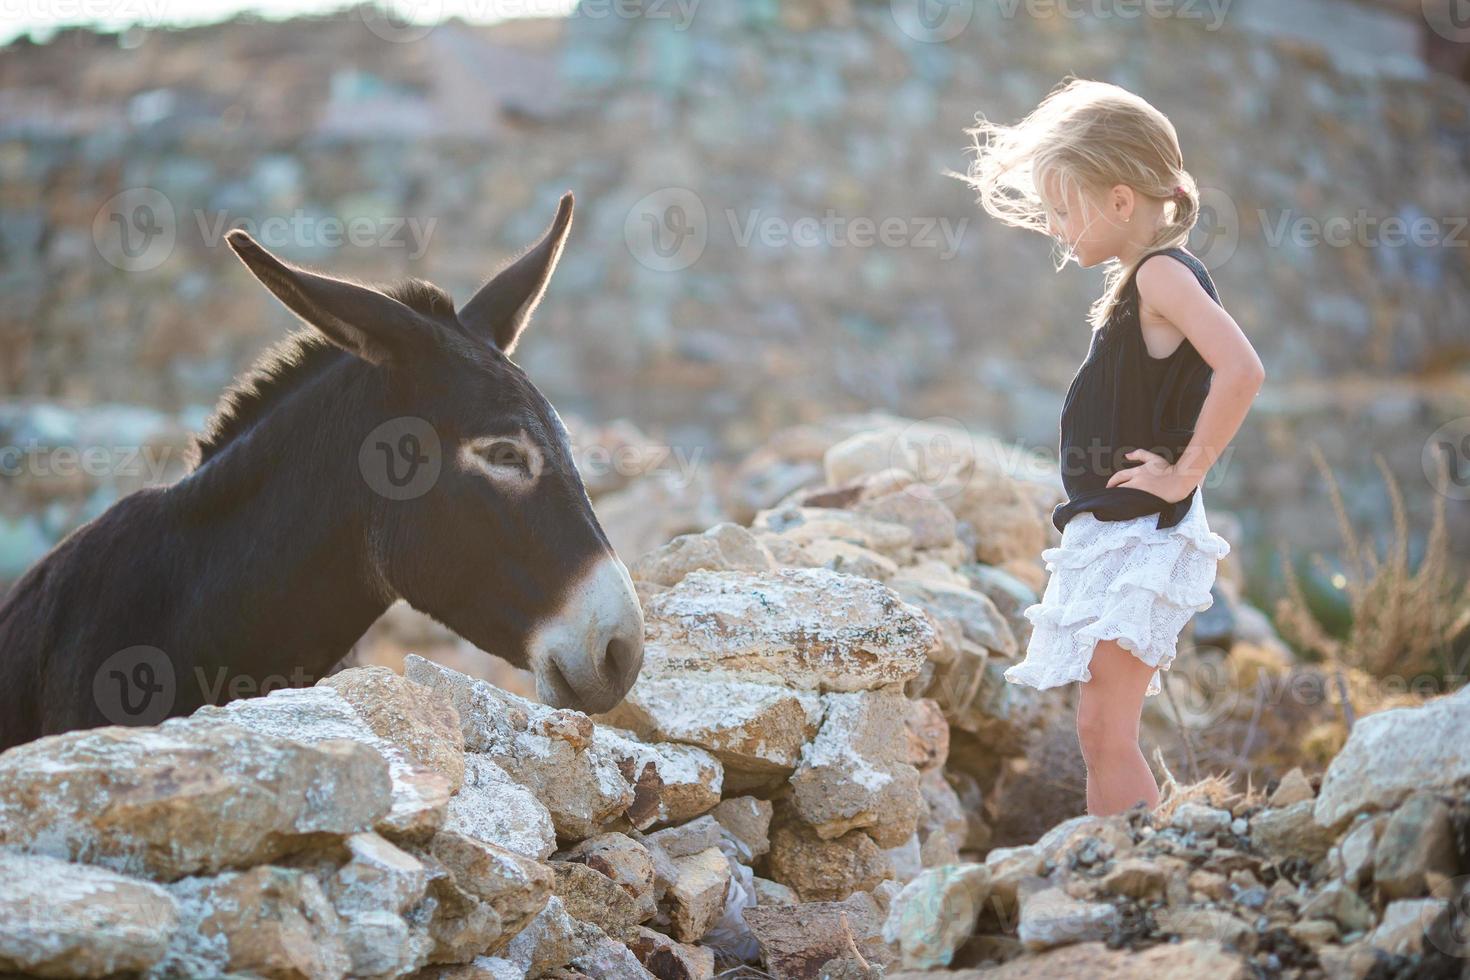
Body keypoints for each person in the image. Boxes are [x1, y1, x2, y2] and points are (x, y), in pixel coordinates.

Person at [953, 78, 1267, 816]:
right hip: (1115, 527)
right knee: (1099, 727)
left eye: (1065, 209)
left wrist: (1186, 472)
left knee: (1103, 728)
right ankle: (1119, 856)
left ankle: (1125, 863)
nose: (1057, 228)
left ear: (1121, 200)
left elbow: (1243, 369)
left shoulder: (1161, 273)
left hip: (1141, 533)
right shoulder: (1139, 282)